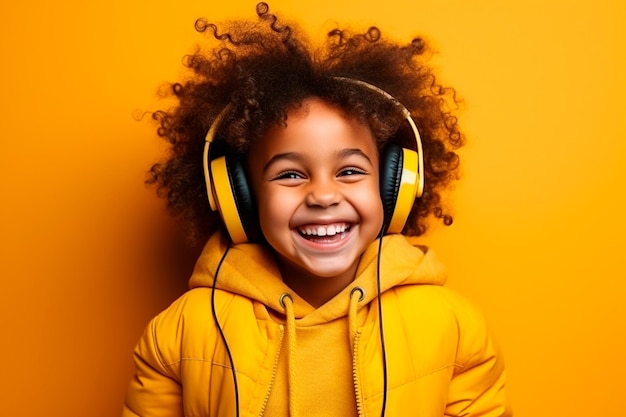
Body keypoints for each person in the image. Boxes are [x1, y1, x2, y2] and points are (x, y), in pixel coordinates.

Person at [122, 2, 511, 416]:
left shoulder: (454, 328)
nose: (323, 195)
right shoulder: (181, 333)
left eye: (349, 171)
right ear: (239, 197)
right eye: (290, 175)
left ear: (393, 186)